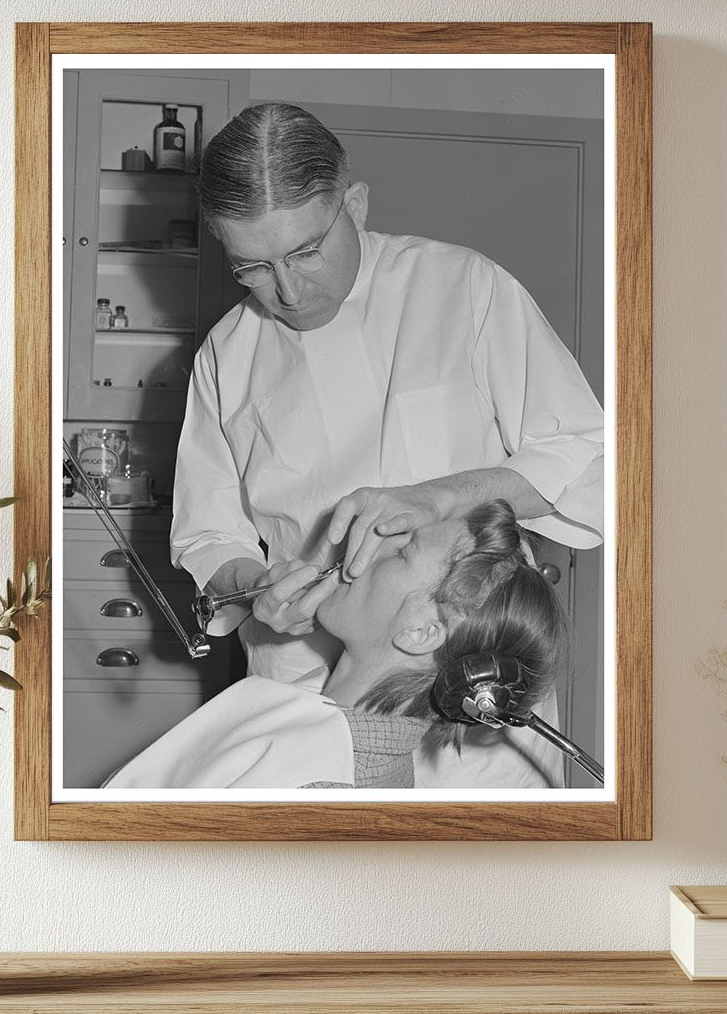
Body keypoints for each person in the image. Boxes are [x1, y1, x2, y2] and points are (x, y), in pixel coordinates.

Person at [170, 103, 602, 784]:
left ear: (356, 205)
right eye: (251, 266)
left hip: (467, 681)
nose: (286, 290)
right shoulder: (227, 353)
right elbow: (207, 538)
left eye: (307, 251)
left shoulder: (464, 289)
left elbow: (587, 452)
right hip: (302, 681)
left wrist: (443, 498)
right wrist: (257, 587)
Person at [106, 501, 570, 789]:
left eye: (402, 551)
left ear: (420, 632)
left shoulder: (323, 788)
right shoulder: (318, 717)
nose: (365, 546)